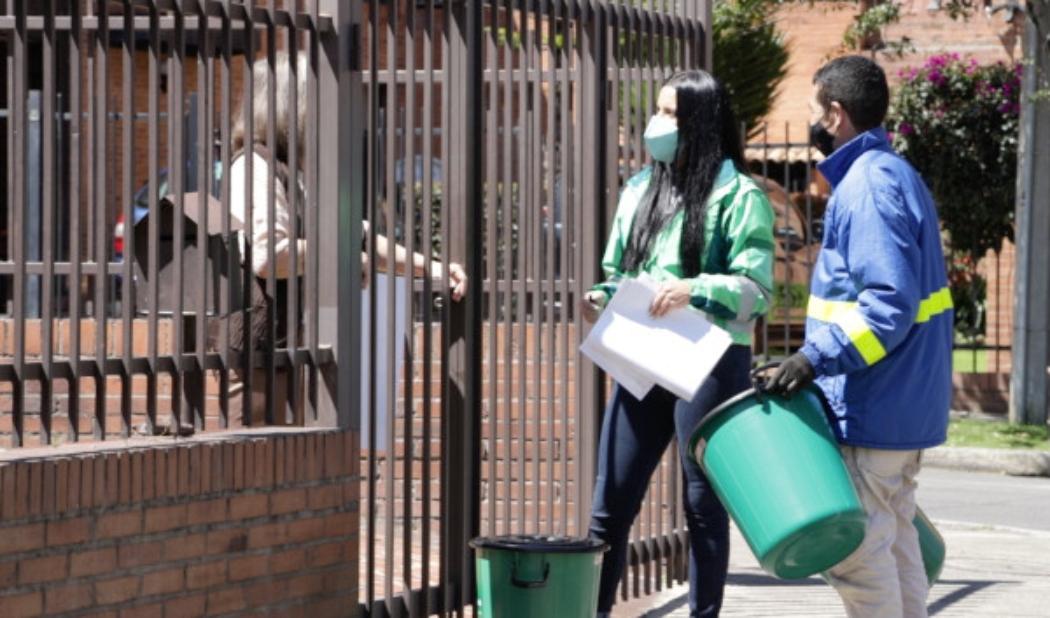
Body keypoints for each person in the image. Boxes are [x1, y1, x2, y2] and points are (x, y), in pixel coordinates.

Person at [581, 70, 775, 618]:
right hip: (645, 355)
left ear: (700, 125)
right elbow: (617, 270)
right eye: (659, 111)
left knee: (702, 504)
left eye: (671, 114)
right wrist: (602, 297)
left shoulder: (740, 195)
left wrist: (695, 289)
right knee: (610, 504)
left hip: (711, 357)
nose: (657, 124)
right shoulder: (640, 188)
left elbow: (758, 291)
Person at [765, 55, 953, 618]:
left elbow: (886, 307)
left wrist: (811, 359)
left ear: (836, 113)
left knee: (860, 558)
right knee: (894, 546)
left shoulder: (867, 187)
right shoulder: (892, 174)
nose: (810, 124)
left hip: (874, 405)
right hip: (900, 405)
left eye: (812, 111)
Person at [221, 51, 468, 427]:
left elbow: (359, 236)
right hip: (259, 352)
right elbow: (270, 257)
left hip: (289, 346)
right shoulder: (255, 166)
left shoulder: (293, 170)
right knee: (254, 470)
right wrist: (346, 259)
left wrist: (435, 268)